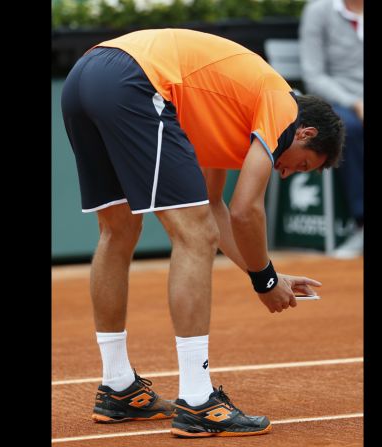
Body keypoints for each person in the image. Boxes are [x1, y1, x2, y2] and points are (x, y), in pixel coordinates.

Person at [60, 28, 344, 438]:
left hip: (85, 76)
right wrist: (265, 282)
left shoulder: (228, 112)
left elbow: (217, 207)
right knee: (193, 237)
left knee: (117, 231)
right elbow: (246, 211)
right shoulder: (283, 109)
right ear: (306, 134)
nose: (286, 172)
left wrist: (262, 273)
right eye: (301, 165)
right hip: (134, 79)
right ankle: (197, 400)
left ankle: (117, 386)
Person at [300, 0, 364, 258]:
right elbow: (314, 75)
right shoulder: (318, 11)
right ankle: (362, 223)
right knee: (348, 128)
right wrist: (355, 103)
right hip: (339, 101)